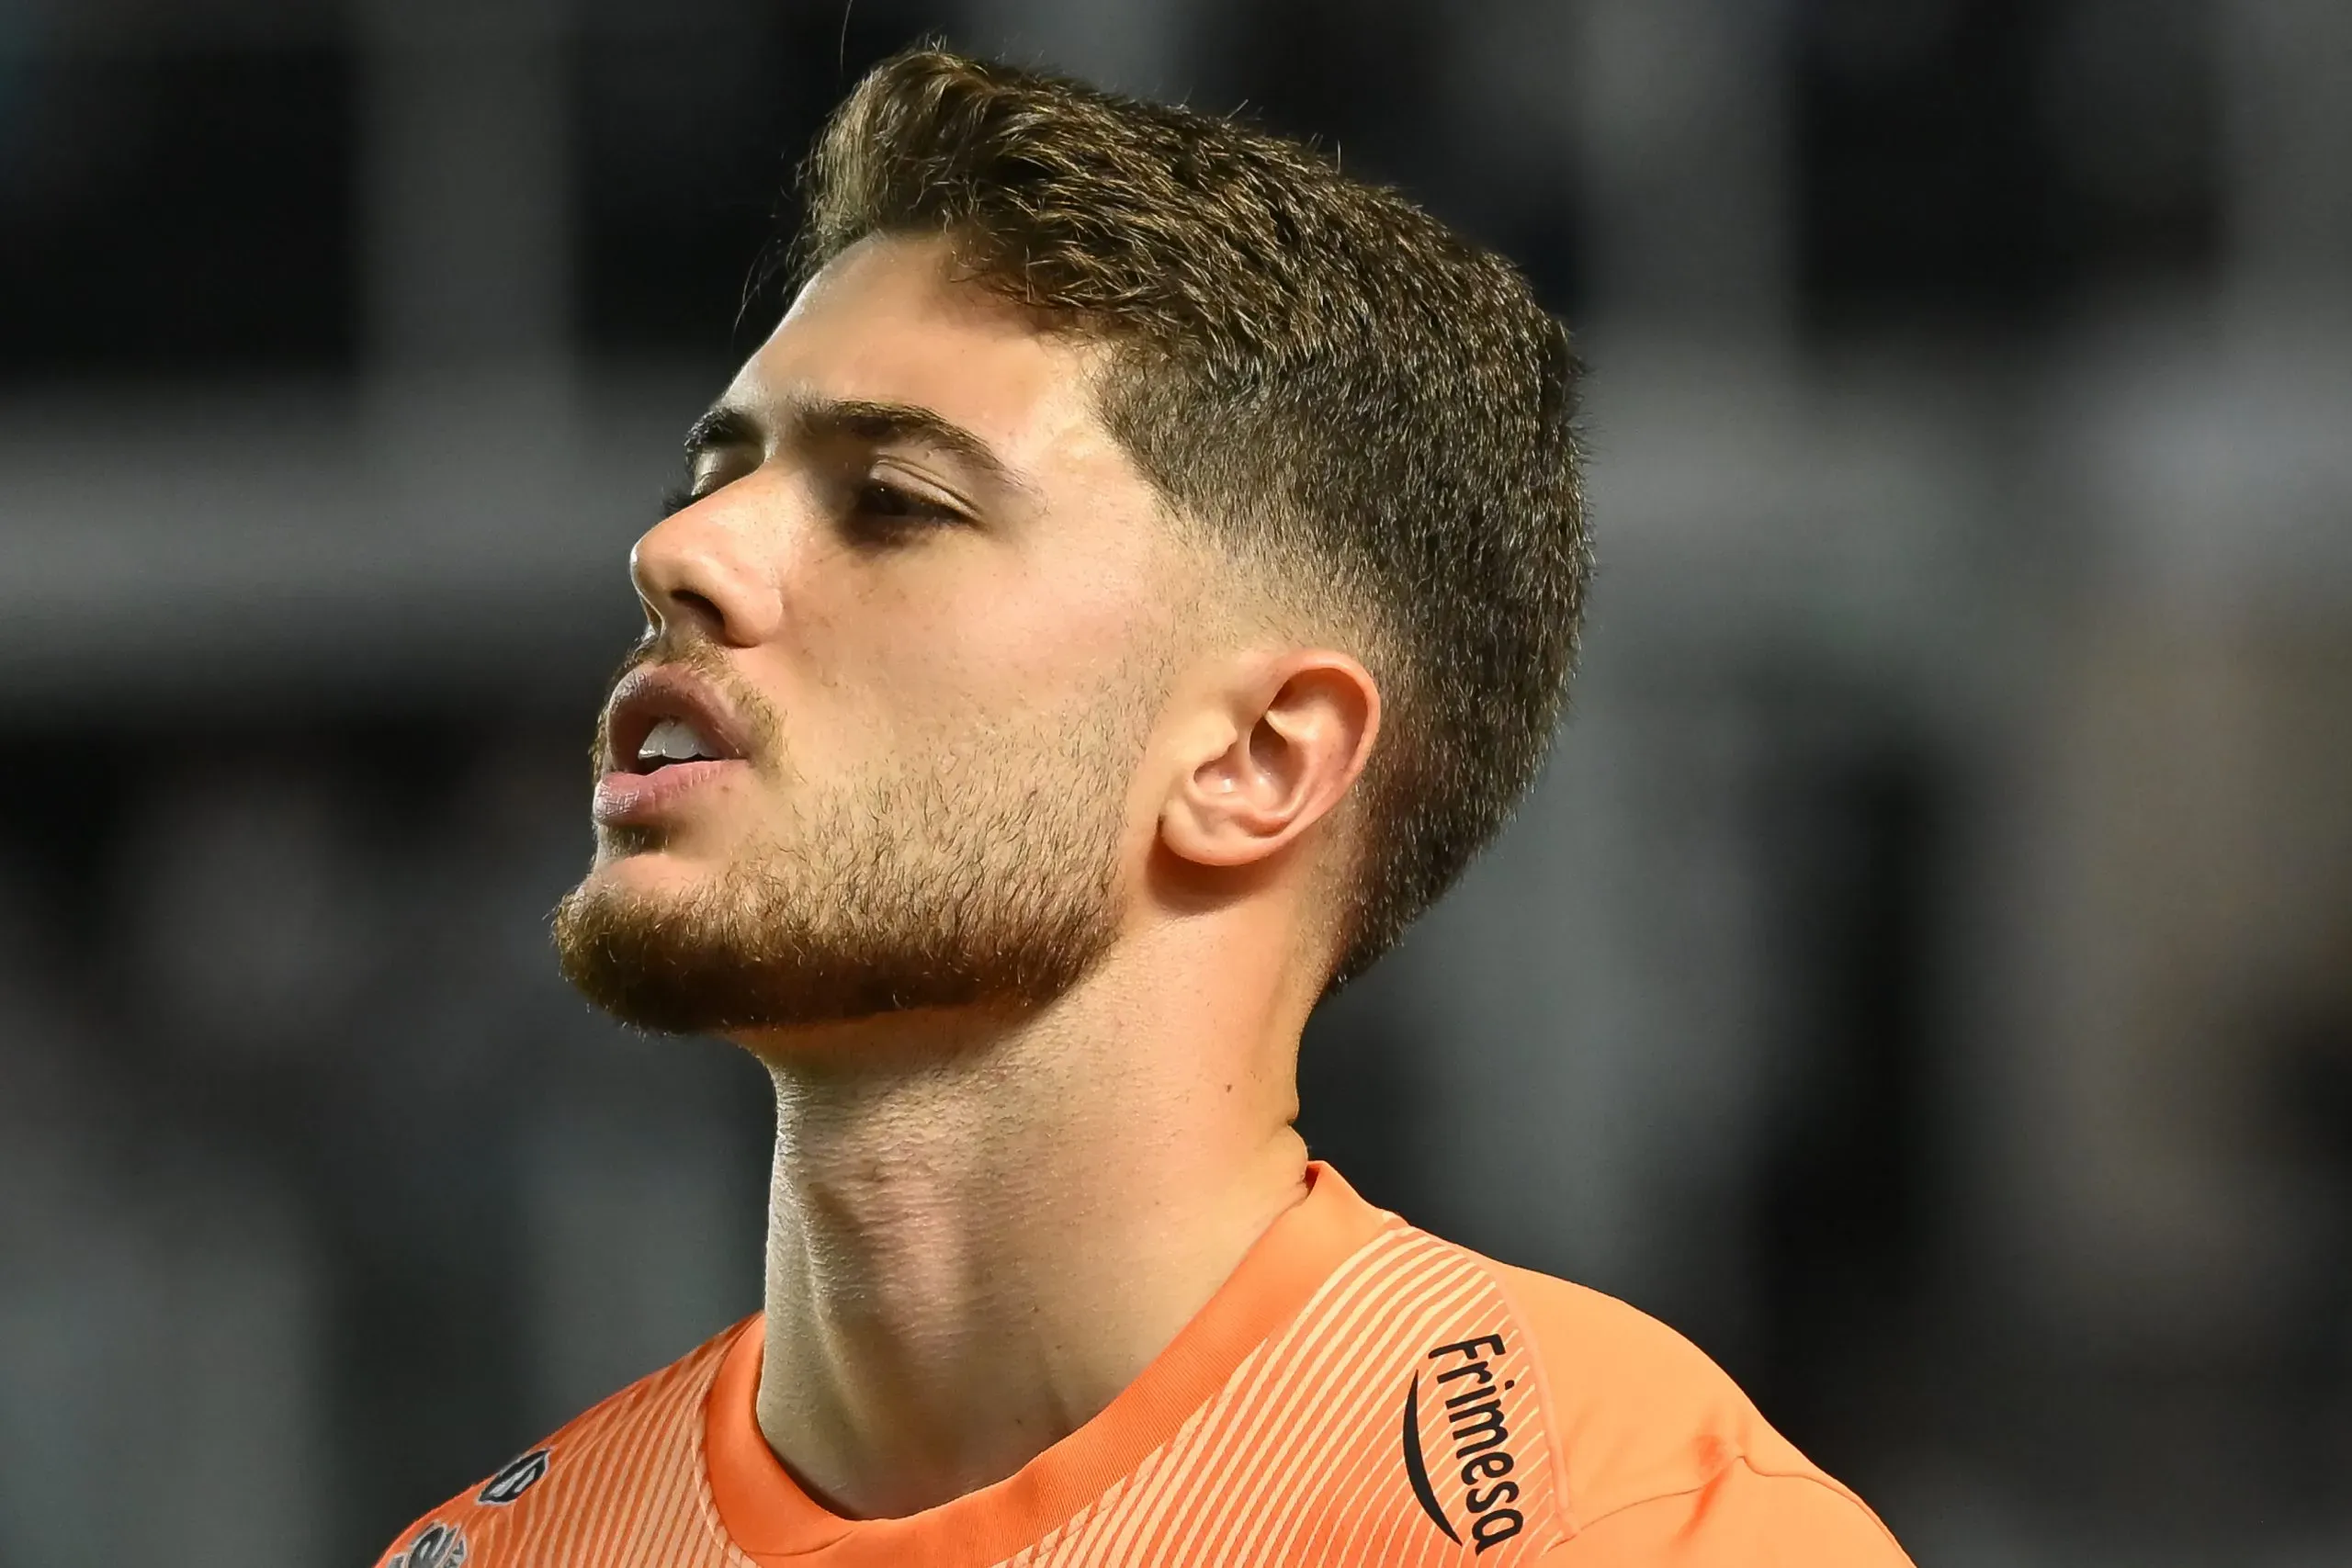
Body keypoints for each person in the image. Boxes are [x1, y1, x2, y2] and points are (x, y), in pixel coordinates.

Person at [376, 46, 1911, 1568]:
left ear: (1258, 760)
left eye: (899, 501)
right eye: (715, 473)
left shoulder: (1635, 1534)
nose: (683, 552)